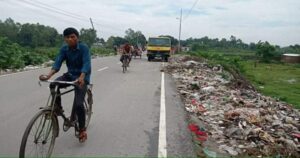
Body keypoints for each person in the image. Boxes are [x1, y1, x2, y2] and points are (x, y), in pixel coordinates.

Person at [39, 27, 91, 143]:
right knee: (53, 84)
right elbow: (57, 63)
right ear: (65, 39)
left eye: (73, 37)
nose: (70, 39)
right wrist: (48, 76)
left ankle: (82, 129)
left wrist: (82, 77)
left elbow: (87, 63)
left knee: (78, 104)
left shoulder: (84, 48)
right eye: (67, 37)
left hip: (83, 77)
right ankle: (58, 108)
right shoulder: (64, 49)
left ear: (77, 37)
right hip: (70, 75)